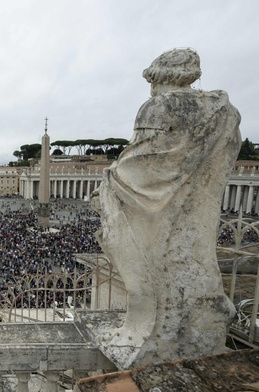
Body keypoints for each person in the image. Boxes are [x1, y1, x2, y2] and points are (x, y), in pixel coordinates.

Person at [91, 49, 240, 366]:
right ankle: (202, 323)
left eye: (151, 81)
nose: (150, 88)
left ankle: (145, 332)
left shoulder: (160, 107)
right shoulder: (225, 115)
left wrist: (107, 181)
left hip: (155, 215)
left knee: (144, 266)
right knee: (189, 265)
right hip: (193, 217)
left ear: (158, 78)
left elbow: (140, 164)